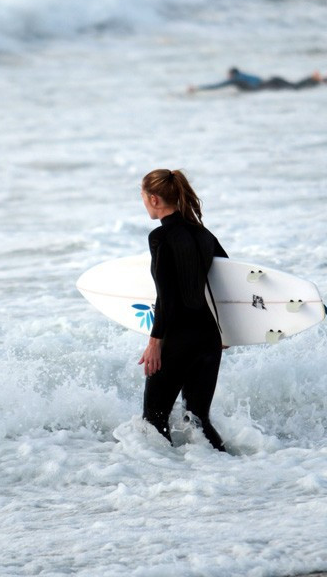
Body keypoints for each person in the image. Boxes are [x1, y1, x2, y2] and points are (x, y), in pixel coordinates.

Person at [139, 168, 228, 451]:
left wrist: (155, 342)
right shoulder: (204, 235)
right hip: (208, 337)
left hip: (178, 338)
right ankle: (233, 469)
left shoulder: (160, 238)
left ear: (154, 199)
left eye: (142, 198)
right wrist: (225, 329)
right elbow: (228, 280)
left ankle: (167, 482)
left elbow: (166, 296)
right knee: (198, 420)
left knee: (154, 421)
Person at [188, 67, 327, 93]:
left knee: (295, 88)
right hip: (271, 80)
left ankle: (315, 79)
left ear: (231, 74)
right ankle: (320, 79)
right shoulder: (246, 75)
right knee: (295, 87)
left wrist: (199, 88)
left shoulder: (236, 79)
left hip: (268, 84)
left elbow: (219, 85)